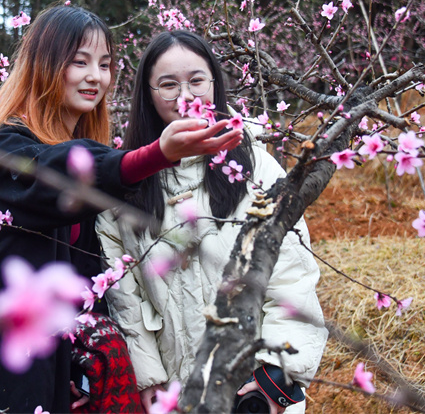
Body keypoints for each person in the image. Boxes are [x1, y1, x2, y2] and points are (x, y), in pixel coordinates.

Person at [0, 6, 243, 413]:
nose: (95, 77)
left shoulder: (75, 148)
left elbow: (88, 273)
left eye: (104, 65)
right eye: (78, 62)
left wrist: (85, 362)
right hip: (0, 363)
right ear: (44, 66)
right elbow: (57, 174)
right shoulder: (6, 148)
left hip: (54, 363)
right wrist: (157, 154)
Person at [96, 30, 328, 414]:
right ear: (148, 95)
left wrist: (277, 380)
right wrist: (149, 376)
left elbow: (292, 276)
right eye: (168, 85)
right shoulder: (125, 184)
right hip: (176, 388)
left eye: (197, 81)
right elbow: (125, 295)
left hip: (255, 388)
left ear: (215, 85)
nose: (185, 97)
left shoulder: (255, 166)